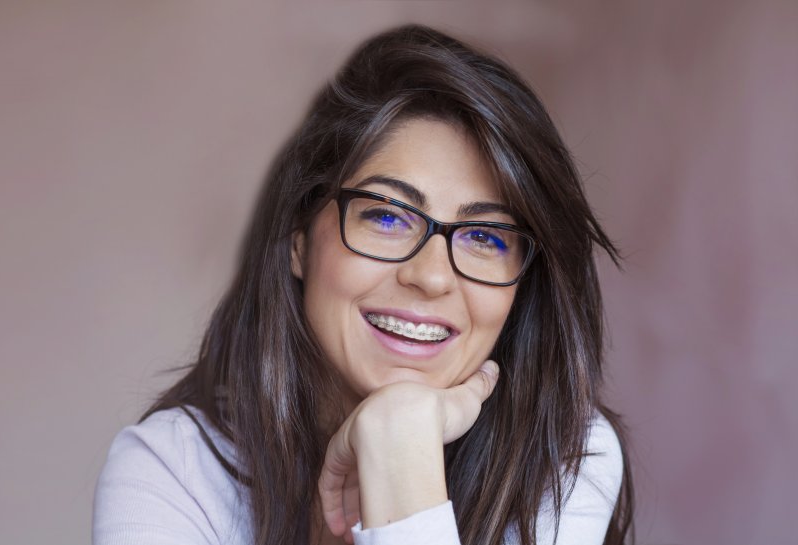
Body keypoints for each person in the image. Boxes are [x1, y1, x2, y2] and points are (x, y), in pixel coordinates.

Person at [93, 24, 633, 545]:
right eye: (387, 217)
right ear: (298, 238)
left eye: (486, 238)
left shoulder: (563, 459)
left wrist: (399, 445)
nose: (430, 275)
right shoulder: (175, 471)